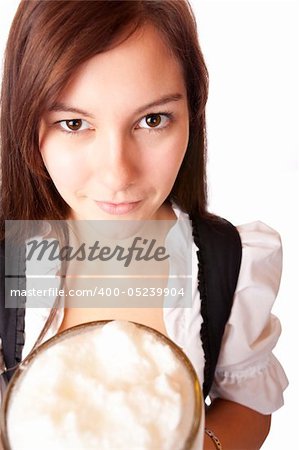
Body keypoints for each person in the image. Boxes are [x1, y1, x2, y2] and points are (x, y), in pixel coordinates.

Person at [0, 1, 288, 449]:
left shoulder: (226, 262)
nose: (118, 174)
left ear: (192, 114)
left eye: (152, 120)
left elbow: (248, 402)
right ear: (26, 121)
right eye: (74, 123)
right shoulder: (12, 261)